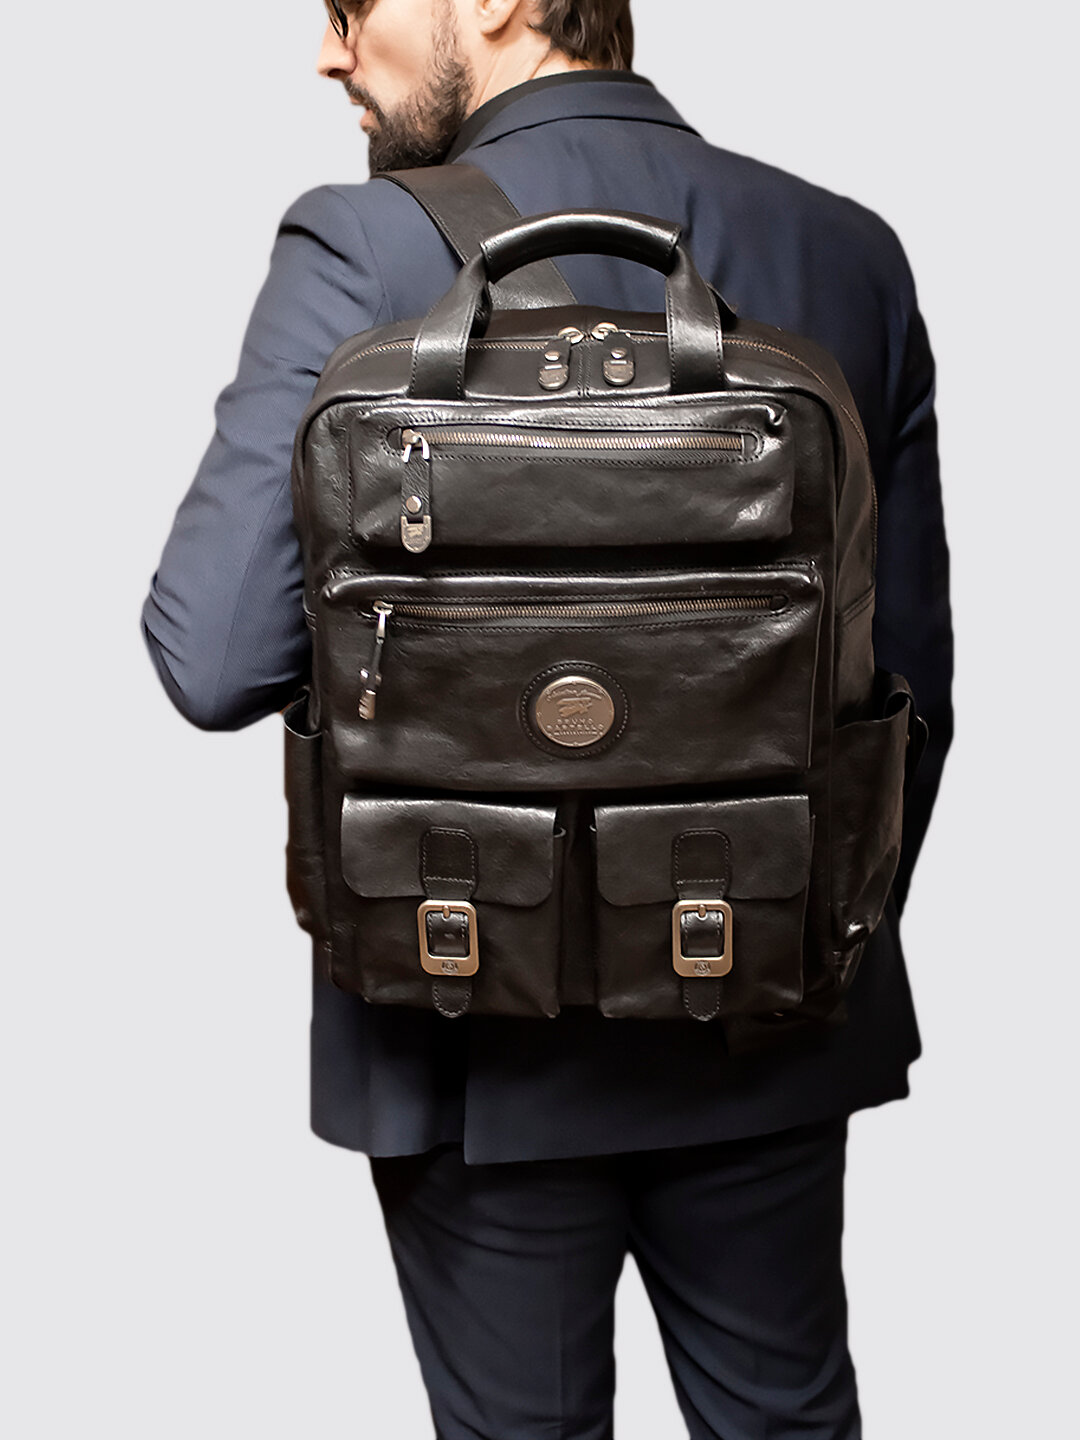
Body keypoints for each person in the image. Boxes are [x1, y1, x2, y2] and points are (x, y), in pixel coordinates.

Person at [139, 2, 953, 1435]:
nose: (330, 53)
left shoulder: (365, 248)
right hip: (764, 1020)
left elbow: (211, 659)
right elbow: (910, 692)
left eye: (352, 8)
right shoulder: (846, 251)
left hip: (464, 1022)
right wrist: (786, 936)